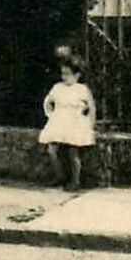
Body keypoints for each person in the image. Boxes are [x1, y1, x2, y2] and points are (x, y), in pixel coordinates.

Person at [39, 58, 96, 191]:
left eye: (67, 74)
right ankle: (60, 177)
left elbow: (92, 107)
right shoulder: (58, 87)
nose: (64, 77)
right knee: (52, 150)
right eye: (62, 73)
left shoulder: (82, 89)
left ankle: (75, 181)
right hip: (59, 121)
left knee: (73, 153)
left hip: (74, 123)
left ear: (77, 75)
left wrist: (90, 124)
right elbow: (47, 101)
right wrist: (50, 114)